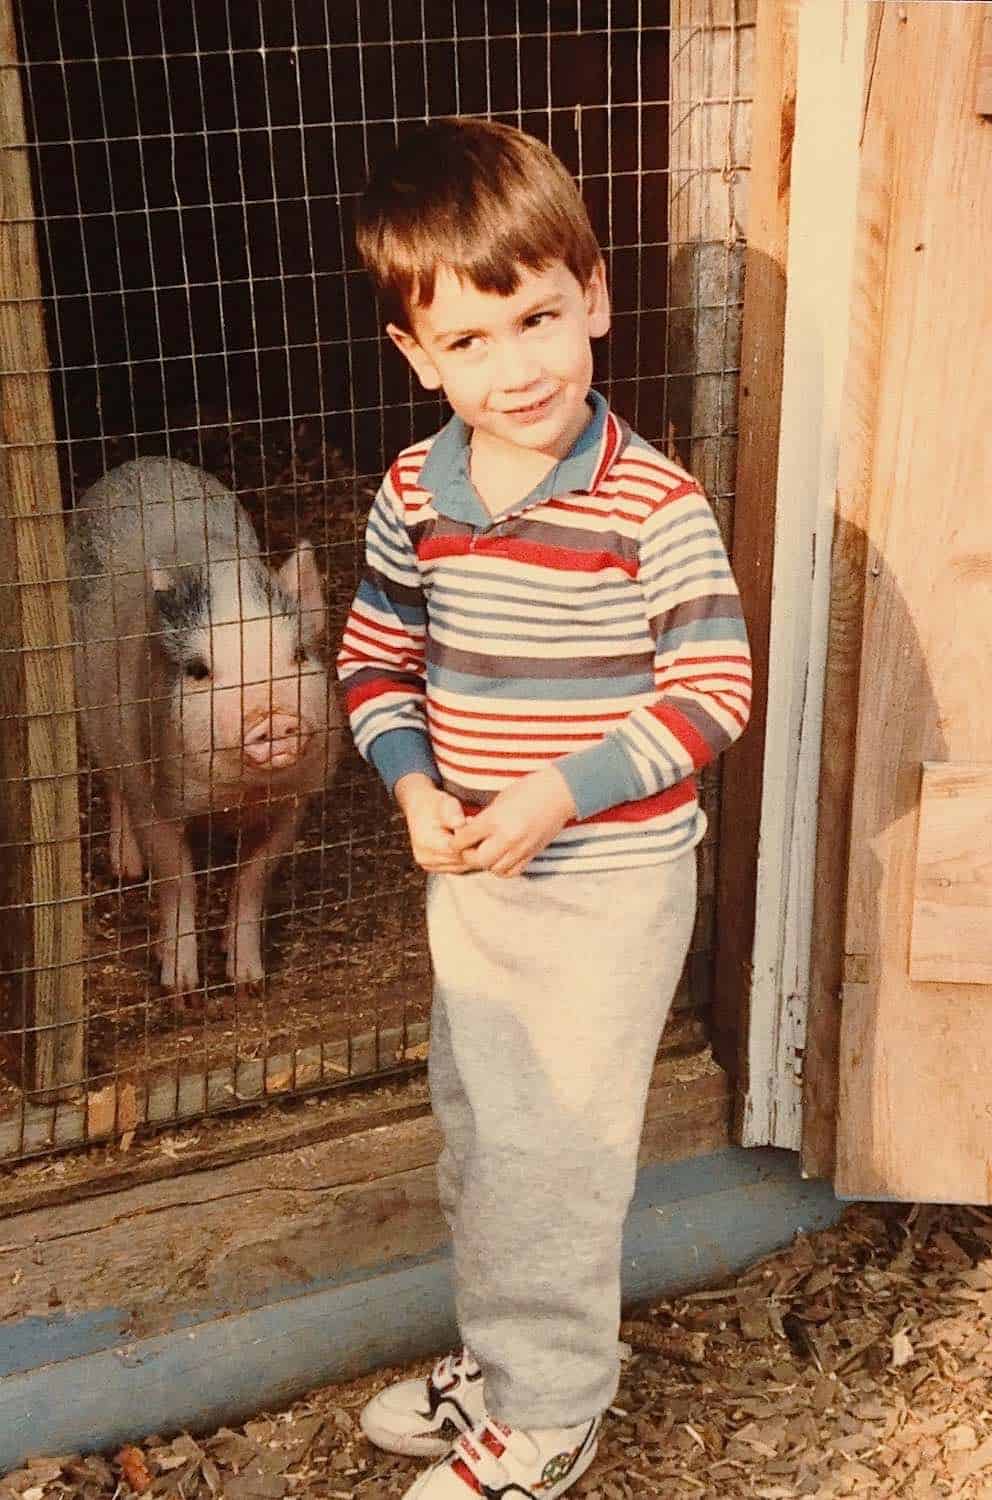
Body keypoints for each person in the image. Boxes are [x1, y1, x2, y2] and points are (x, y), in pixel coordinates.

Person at [337, 116, 752, 1500]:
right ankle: (504, 1368)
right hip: (477, 879)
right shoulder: (417, 493)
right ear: (414, 353)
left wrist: (556, 796)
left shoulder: (651, 504)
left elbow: (710, 693)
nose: (515, 368)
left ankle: (554, 1412)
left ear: (597, 299)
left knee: (552, 1157)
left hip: (605, 890)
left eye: (538, 319)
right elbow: (374, 659)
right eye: (469, 341)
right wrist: (410, 787)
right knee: (482, 1129)